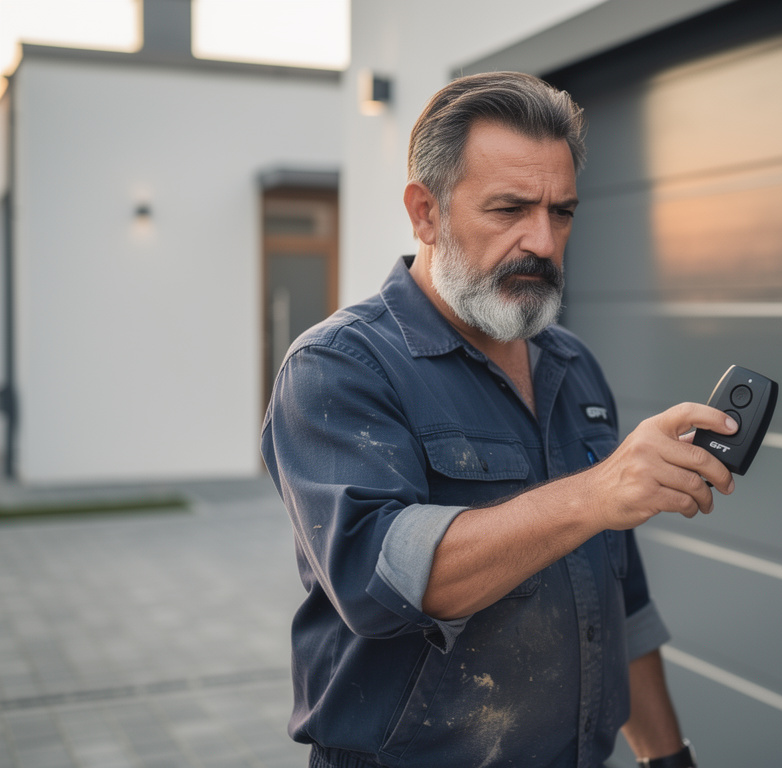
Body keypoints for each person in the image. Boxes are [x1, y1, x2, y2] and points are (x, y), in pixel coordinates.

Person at [261, 71, 734, 768]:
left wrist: (669, 760)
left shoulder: (573, 368)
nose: (542, 242)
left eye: (562, 212)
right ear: (426, 212)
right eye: (509, 209)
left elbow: (617, 607)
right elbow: (380, 580)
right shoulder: (338, 367)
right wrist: (595, 493)